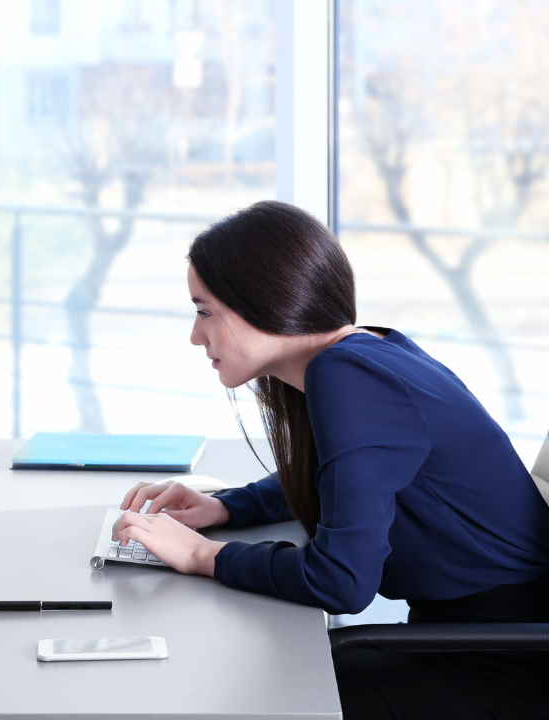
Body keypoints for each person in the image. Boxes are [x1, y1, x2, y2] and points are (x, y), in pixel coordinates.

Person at [112, 200, 549, 719]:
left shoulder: (350, 377)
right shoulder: (369, 353)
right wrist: (228, 509)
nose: (195, 334)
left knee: (232, 693)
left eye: (205, 311)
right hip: (476, 638)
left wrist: (202, 555)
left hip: (502, 665)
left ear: (264, 299)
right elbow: (352, 472)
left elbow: (340, 581)